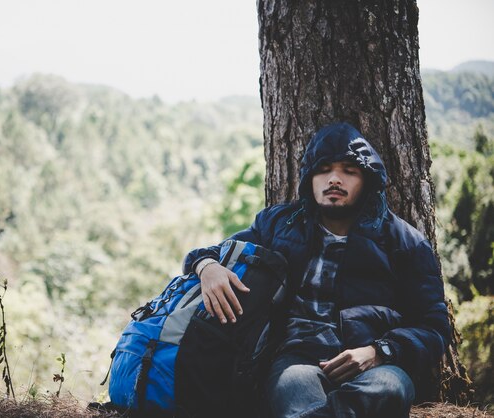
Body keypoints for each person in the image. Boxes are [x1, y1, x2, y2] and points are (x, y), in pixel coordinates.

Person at [182, 122, 450, 418]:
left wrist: (379, 351)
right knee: (293, 391)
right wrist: (207, 267)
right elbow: (210, 253)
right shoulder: (277, 225)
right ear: (310, 177)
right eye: (324, 169)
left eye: (349, 170)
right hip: (296, 360)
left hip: (374, 363)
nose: (334, 179)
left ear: (368, 180)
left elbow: (433, 326)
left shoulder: (405, 242)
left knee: (389, 389)